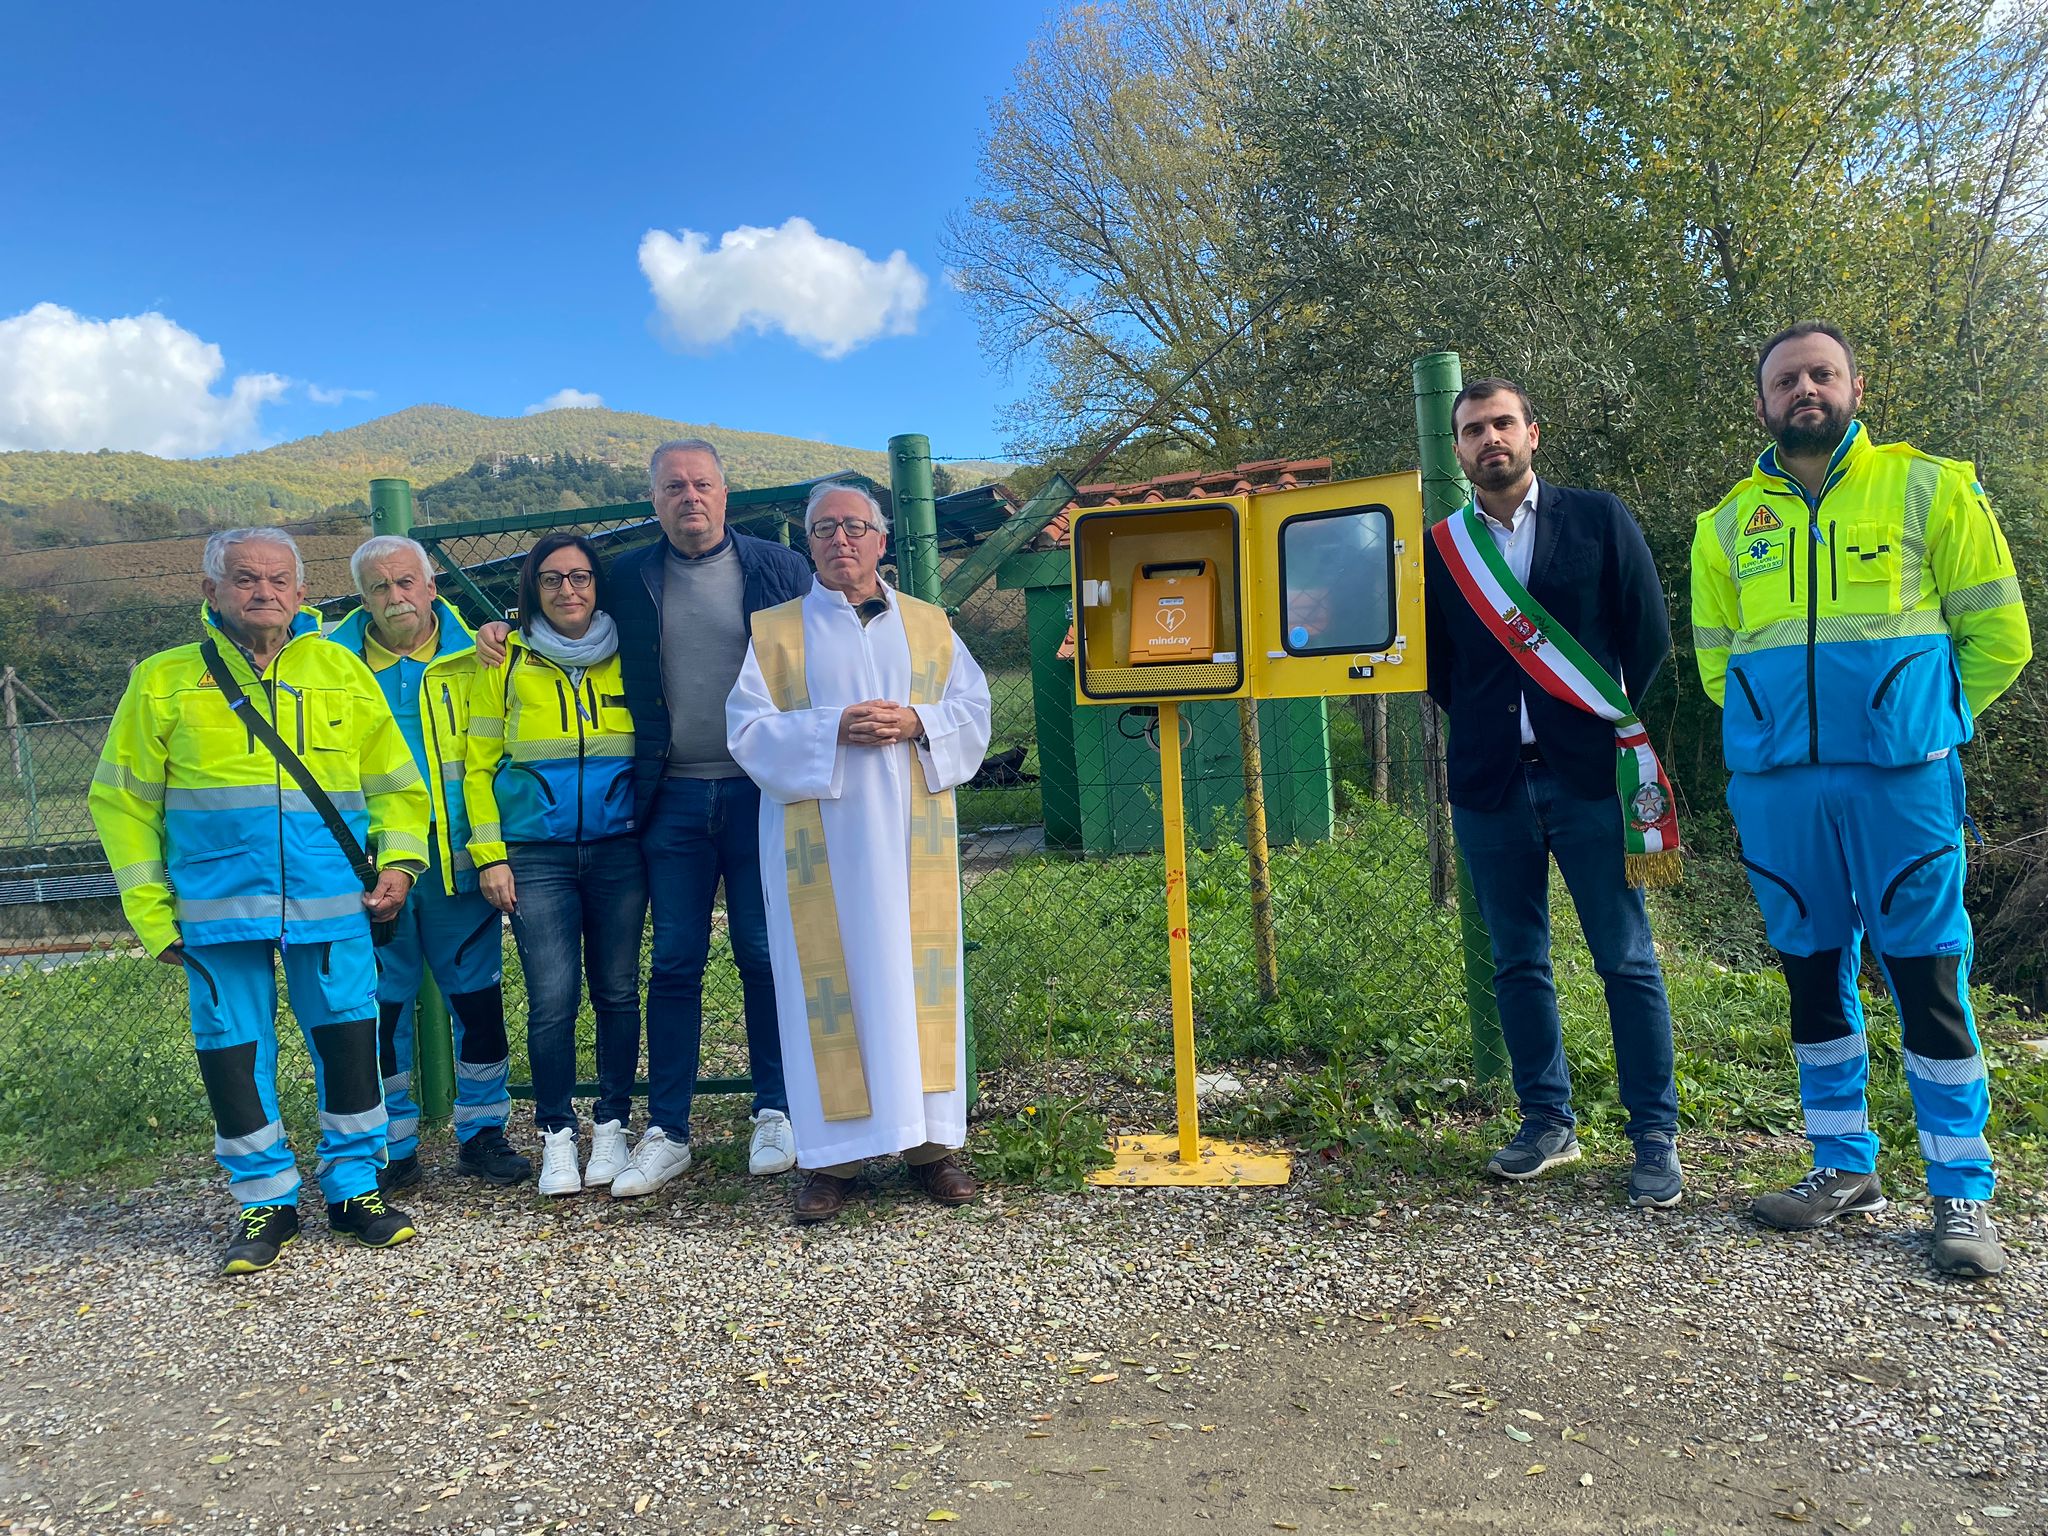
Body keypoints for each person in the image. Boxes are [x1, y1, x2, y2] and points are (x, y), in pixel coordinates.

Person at [1691, 322, 2033, 1278]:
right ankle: (1842, 1166)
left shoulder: (1929, 485)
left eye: (1821, 374)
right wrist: (1778, 725)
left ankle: (1960, 1190)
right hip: (1780, 786)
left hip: (1902, 781)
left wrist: (1916, 721)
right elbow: (1719, 664)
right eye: (1786, 379)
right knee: (1810, 970)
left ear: (1854, 386)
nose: (1805, 389)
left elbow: (1999, 638)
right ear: (1761, 402)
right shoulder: (1724, 525)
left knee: (1926, 972)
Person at [88, 528, 429, 1273]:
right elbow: (121, 804)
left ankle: (354, 1189)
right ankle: (265, 1200)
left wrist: (401, 864)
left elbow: (399, 786)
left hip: (331, 899)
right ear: (211, 592)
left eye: (279, 580)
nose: (264, 592)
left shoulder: (341, 670)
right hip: (215, 908)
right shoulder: (161, 681)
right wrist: (151, 912)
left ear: (303, 594)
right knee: (232, 1054)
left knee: (349, 1041)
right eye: (245, 579)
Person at [479, 439, 812, 1197]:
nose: (688, 496)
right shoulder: (628, 574)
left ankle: (776, 1107)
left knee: (764, 953)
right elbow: (562, 617)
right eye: (672, 487)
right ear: (653, 501)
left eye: (701, 484)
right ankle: (668, 1128)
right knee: (675, 962)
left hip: (761, 789)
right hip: (668, 795)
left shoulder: (777, 568)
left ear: (725, 493)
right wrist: (496, 627)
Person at [1423, 378, 1684, 1207]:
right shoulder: (1441, 547)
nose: (1489, 440)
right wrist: (1498, 724)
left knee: (1627, 959)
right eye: (1473, 431)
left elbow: (1646, 636)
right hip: (1492, 785)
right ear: (1459, 451)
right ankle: (1546, 1121)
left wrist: (1586, 721)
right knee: (1517, 961)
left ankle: (1654, 1134)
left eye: (1503, 424)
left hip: (1590, 781)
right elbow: (1438, 667)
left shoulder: (1600, 518)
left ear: (1533, 433)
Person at [727, 481, 993, 1223]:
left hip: (915, 845)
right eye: (823, 529)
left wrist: (917, 719)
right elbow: (746, 732)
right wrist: (828, 731)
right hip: (824, 847)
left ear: (882, 541)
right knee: (832, 990)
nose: (839, 539)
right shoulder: (775, 631)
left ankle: (932, 1149)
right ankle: (832, 1160)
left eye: (853, 526)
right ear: (807, 544)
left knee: (916, 985)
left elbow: (973, 711)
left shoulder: (932, 626)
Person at [328, 536, 530, 1191]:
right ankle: (394, 1144)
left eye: (406, 582)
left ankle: (482, 1133)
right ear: (363, 598)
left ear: (432, 584)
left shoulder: (482, 653)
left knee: (479, 1006)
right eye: (380, 587)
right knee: (379, 1013)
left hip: (458, 868)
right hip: (370, 869)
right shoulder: (331, 664)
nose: (396, 597)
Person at [466, 533, 645, 1197]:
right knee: (551, 1000)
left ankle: (615, 1126)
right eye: (551, 580)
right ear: (531, 591)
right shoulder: (504, 659)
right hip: (534, 856)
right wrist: (491, 856)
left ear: (598, 585)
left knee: (619, 990)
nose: (567, 590)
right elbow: (477, 766)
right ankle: (557, 1136)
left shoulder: (633, 651)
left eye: (579, 577)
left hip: (620, 849)